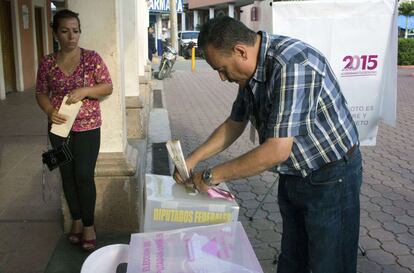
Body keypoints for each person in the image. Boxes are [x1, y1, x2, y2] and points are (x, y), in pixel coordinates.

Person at [174, 16, 363, 273]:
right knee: (293, 259)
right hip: (294, 173)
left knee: (329, 263)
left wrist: (211, 175)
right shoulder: (250, 71)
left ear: (240, 51)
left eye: (222, 69)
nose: (221, 77)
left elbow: (276, 150)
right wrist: (192, 160)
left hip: (331, 176)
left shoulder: (293, 65)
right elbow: (234, 123)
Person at [36, 9, 112, 252]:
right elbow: (40, 92)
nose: (72, 36)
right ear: (56, 32)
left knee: (83, 175)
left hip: (88, 127)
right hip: (59, 128)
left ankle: (90, 225)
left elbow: (107, 87)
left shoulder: (92, 59)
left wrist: (86, 91)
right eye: (65, 31)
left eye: (76, 31)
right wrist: (49, 110)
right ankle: (77, 221)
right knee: (67, 175)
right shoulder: (47, 62)